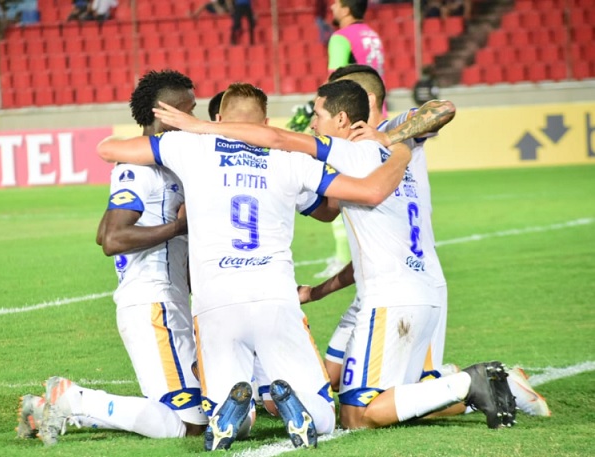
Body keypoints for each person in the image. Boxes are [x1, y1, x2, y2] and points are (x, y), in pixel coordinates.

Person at [152, 79, 517, 431]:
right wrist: (400, 144)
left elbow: (277, 139)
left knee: (356, 413)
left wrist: (199, 128)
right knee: (385, 391)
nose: (313, 123)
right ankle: (501, 387)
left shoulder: (352, 149)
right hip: (426, 288)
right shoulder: (400, 141)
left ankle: (469, 383)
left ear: (342, 118)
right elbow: (441, 109)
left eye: (318, 114)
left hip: (390, 296)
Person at [97, 81, 413, 450]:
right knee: (324, 413)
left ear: (218, 119)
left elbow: (108, 148)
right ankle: (301, 409)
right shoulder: (291, 159)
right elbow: (366, 194)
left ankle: (233, 415)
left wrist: (189, 129)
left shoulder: (186, 146)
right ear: (264, 123)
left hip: (214, 304)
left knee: (222, 409)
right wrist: (401, 153)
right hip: (274, 297)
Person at [300, 63, 550, 418]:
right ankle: (485, 384)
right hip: (380, 280)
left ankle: (494, 385)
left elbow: (442, 108)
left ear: (364, 99)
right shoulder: (352, 149)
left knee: (395, 396)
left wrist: (390, 138)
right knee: (337, 380)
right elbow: (330, 209)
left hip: (412, 281)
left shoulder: (394, 131)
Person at [18, 70, 208, 446]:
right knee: (190, 424)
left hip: (157, 303)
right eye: (188, 110)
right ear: (165, 112)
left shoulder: (145, 163)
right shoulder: (142, 168)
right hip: (155, 304)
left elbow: (101, 231)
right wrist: (178, 227)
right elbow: (113, 238)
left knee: (195, 410)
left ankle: (51, 411)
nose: (193, 118)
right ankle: (73, 398)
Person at [322, 0, 388, 279]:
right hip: (379, 120)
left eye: (336, 3)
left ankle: (343, 257)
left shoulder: (341, 37)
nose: (332, 7)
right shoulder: (372, 36)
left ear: (346, 8)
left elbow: (335, 85)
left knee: (337, 187)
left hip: (353, 123)